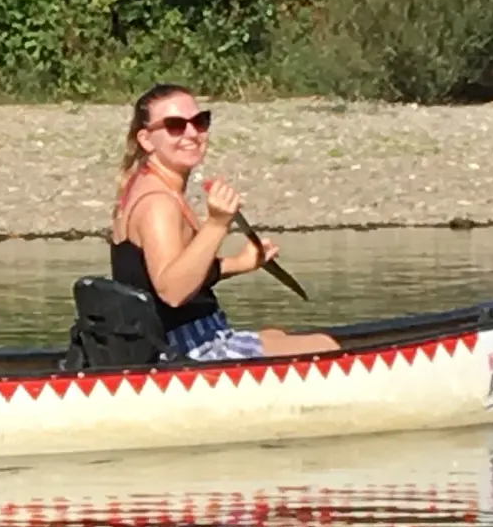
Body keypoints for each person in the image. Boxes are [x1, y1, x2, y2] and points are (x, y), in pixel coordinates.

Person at [110, 83, 339, 360]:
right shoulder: (158, 204)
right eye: (175, 125)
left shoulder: (148, 185)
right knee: (327, 347)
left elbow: (178, 268)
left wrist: (240, 263)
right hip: (187, 348)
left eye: (200, 121)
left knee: (275, 334)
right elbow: (172, 290)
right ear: (146, 140)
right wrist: (217, 225)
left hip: (182, 337)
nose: (192, 133)